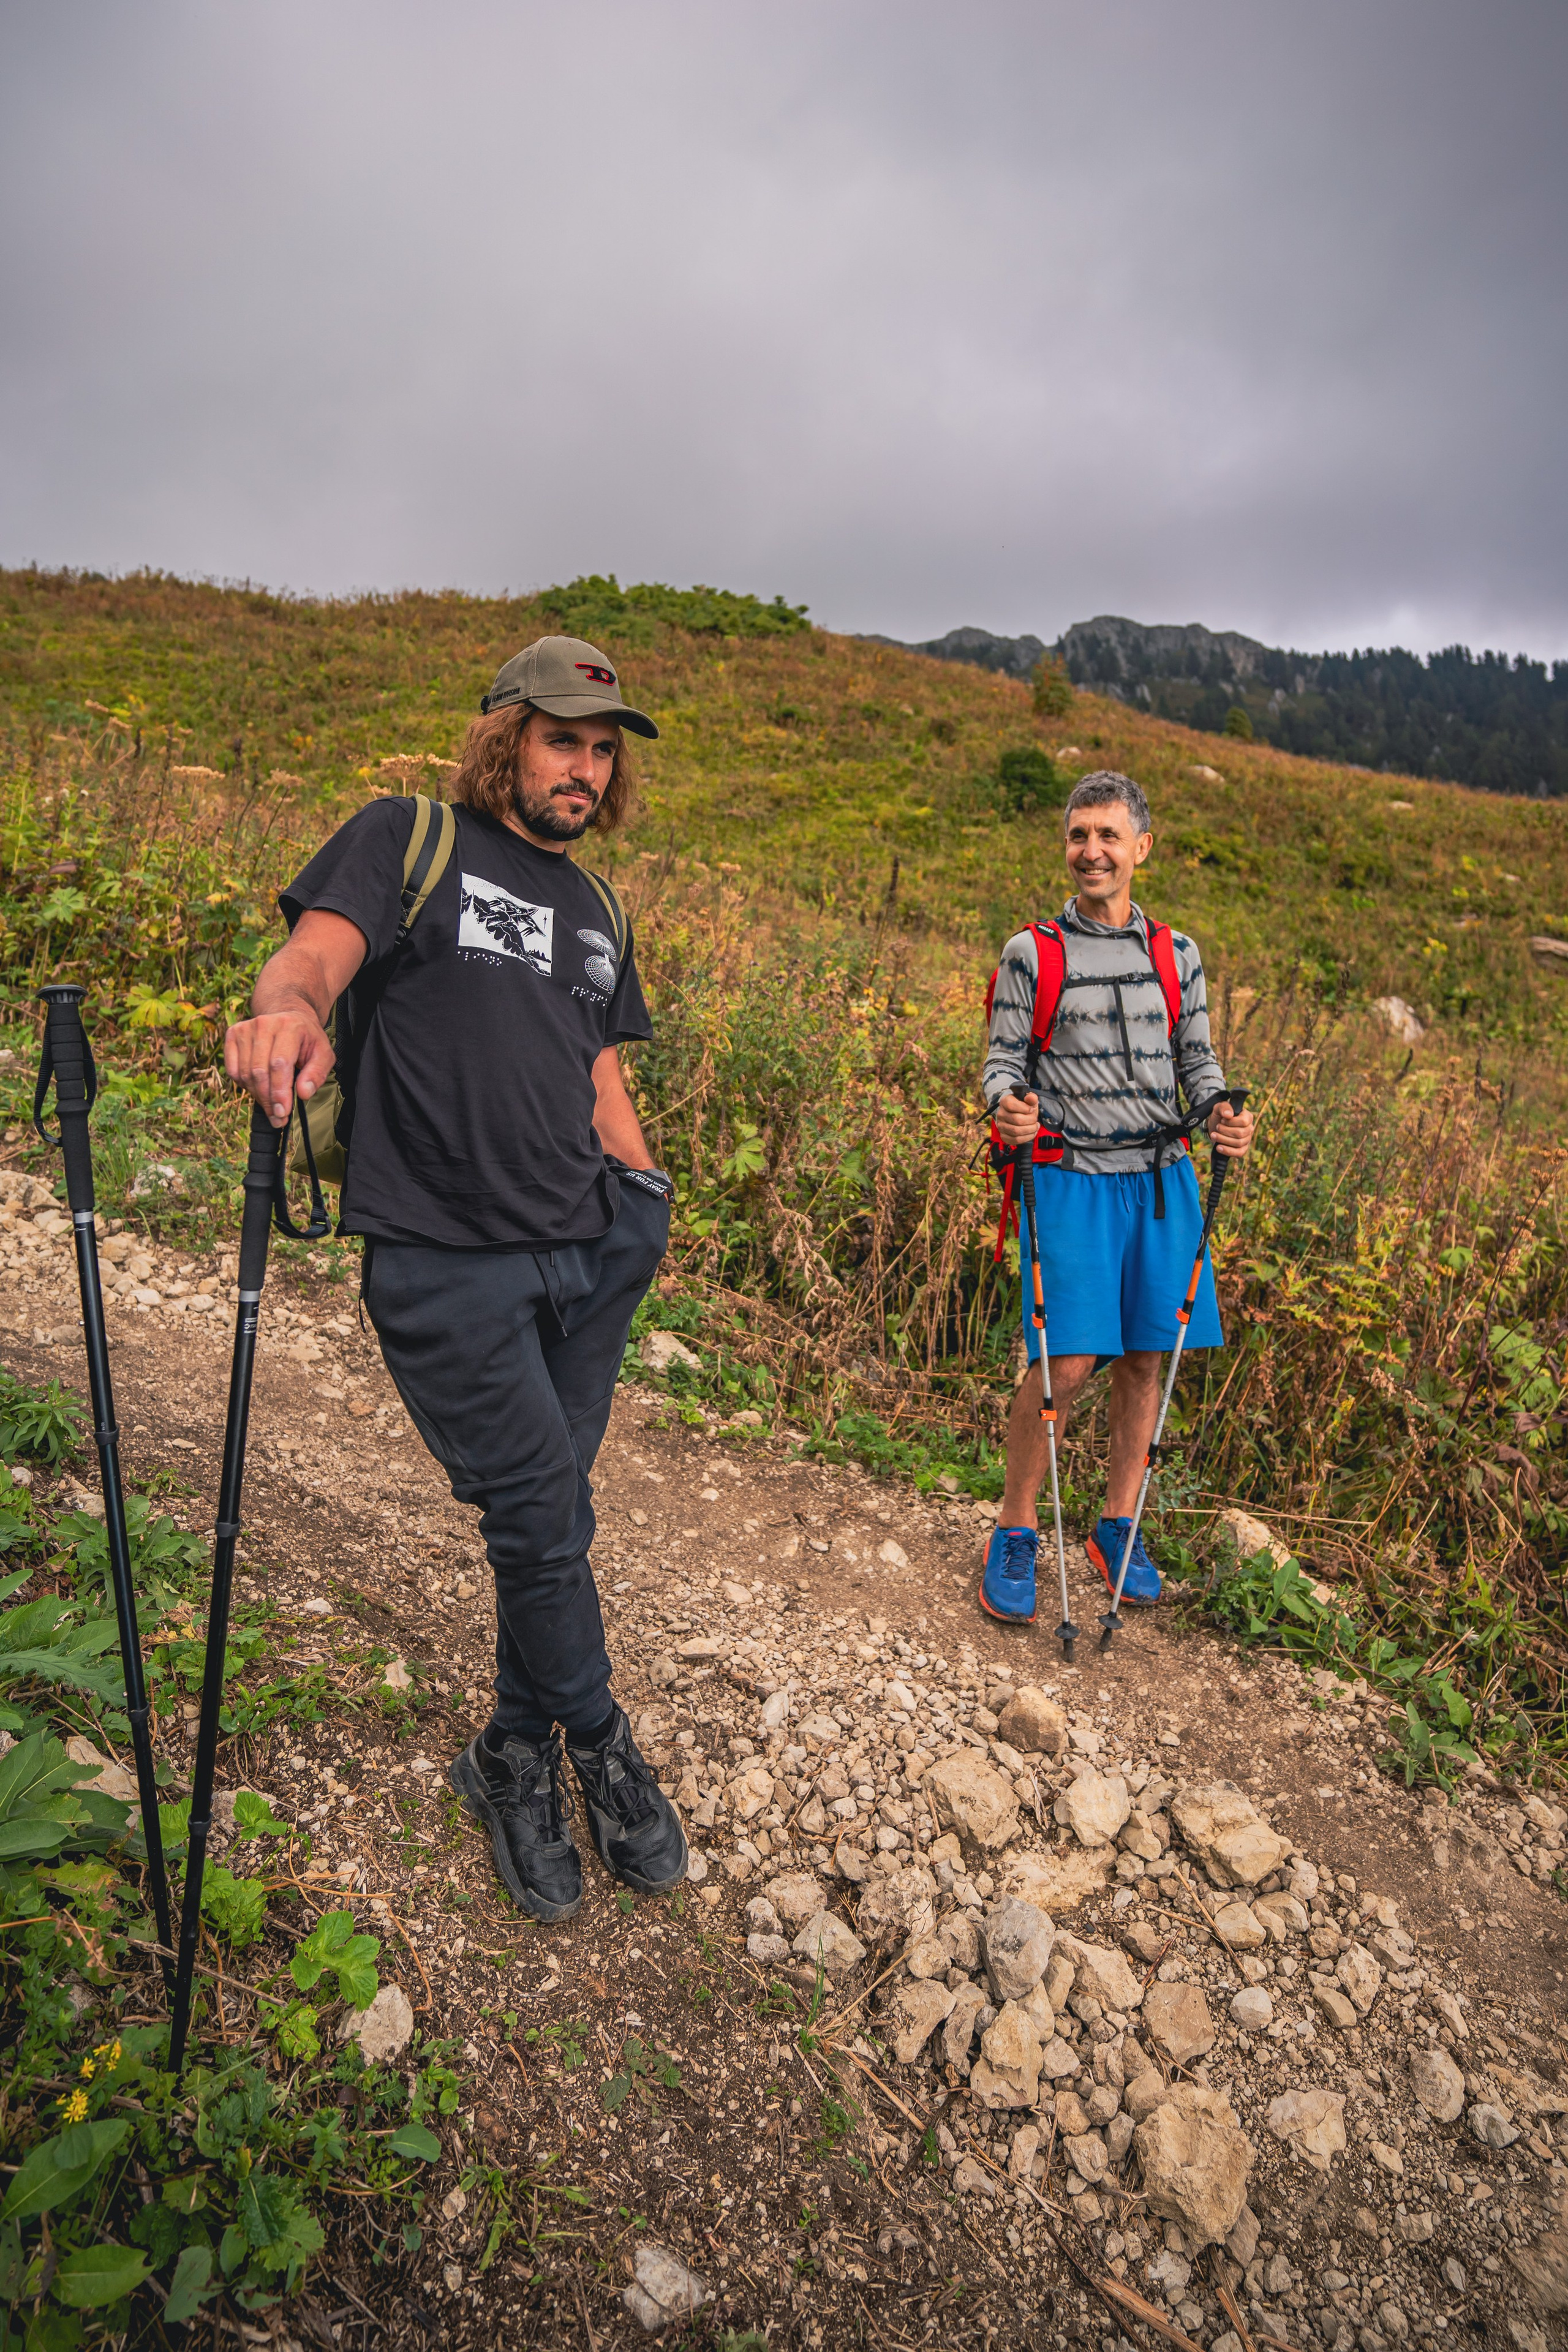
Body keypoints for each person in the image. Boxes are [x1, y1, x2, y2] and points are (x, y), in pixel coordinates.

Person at [225, 635, 687, 1922]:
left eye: (603, 751)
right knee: (538, 1514)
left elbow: (596, 1071)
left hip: (588, 1249)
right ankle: (599, 1745)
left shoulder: (598, 910)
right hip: (443, 1258)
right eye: (561, 740)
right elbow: (313, 960)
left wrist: (645, 1200)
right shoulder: (409, 839)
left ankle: (508, 1753)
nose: (584, 769)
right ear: (503, 739)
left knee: (548, 1525)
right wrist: (286, 1010)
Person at [980, 769, 1254, 1621]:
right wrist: (1008, 1105)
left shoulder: (1178, 955)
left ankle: (1116, 1527)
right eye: (1078, 835)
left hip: (1164, 1181)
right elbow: (1001, 1063)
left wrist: (1221, 1111)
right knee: (1064, 1362)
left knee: (1145, 1357)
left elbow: (1198, 1062)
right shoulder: (1032, 952)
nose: (1091, 851)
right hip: (1070, 1179)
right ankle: (1016, 1528)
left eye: (1108, 835)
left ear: (1142, 848)